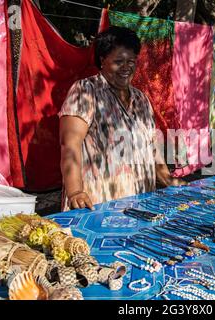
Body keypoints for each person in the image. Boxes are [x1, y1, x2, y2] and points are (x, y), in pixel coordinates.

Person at [59, 26, 184, 211]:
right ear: (102, 60)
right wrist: (75, 192)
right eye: (118, 61)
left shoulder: (141, 99)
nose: (126, 68)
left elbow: (151, 146)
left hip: (140, 200)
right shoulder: (86, 91)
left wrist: (166, 177)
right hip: (98, 203)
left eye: (131, 61)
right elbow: (70, 144)